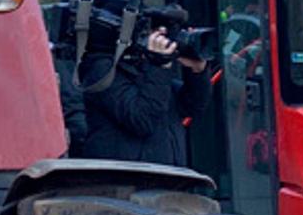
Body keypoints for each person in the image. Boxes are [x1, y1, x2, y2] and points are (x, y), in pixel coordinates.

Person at [76, 24, 210, 168]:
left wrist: (197, 71)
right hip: (124, 182)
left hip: (167, 178)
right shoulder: (103, 69)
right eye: (156, 31)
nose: (163, 37)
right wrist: (159, 65)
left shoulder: (149, 69)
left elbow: (192, 106)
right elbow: (142, 119)